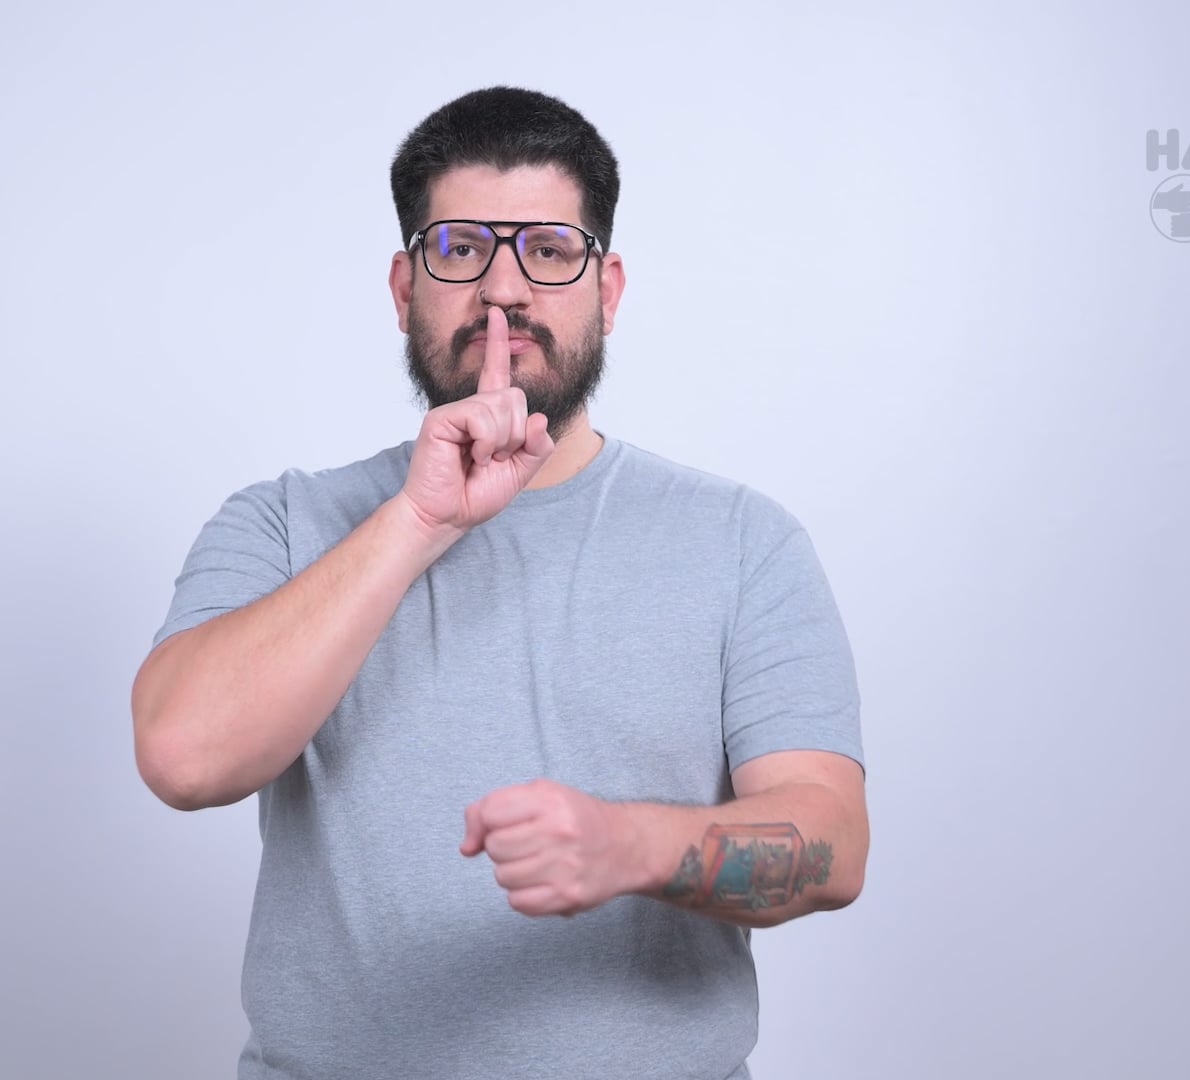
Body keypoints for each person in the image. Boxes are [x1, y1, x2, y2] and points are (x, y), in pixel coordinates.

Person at [131, 85, 868, 1080]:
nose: (503, 290)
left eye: (551, 250)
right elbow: (183, 758)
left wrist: (632, 846)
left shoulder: (743, 540)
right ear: (405, 288)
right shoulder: (284, 522)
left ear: (607, 291)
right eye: (461, 248)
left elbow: (831, 844)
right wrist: (419, 521)